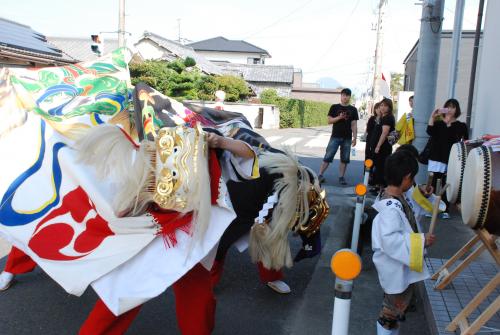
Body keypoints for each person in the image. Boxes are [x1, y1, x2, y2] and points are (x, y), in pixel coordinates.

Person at [372, 150, 436, 335]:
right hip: (394, 267)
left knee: (396, 312)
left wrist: (424, 193)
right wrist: (422, 241)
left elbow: (413, 209)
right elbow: (390, 241)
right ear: (407, 177)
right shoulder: (391, 209)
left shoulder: (394, 196)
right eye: (413, 178)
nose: (414, 182)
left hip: (398, 265)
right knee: (390, 313)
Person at [426, 98, 468, 219]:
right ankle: (432, 209)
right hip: (435, 157)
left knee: (447, 184)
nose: (450, 109)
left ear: (457, 109)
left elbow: (465, 141)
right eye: (448, 107)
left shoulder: (460, 126)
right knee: (433, 183)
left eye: (453, 107)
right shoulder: (439, 123)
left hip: (451, 158)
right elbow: (429, 131)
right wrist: (433, 116)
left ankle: (445, 209)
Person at [318, 88, 358, 185]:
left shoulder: (353, 109)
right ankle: (320, 175)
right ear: (341, 96)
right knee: (328, 156)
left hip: (347, 137)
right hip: (335, 136)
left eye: (347, 95)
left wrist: (355, 137)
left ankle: (341, 177)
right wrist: (339, 117)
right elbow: (329, 121)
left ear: (350, 97)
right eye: (343, 95)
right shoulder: (334, 107)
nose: (345, 97)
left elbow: (354, 124)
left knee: (344, 159)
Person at [371, 98, 395, 194]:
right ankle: (378, 186)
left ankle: (381, 188)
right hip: (379, 146)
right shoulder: (382, 117)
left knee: (381, 166)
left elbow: (384, 133)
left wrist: (378, 146)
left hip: (383, 147)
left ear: (389, 107)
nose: (382, 107)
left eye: (385, 106)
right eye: (381, 105)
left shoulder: (388, 118)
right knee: (378, 165)